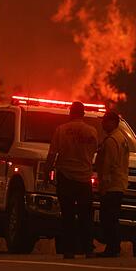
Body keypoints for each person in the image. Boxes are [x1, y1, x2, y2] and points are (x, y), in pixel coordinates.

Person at [45, 101, 99, 259]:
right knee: (85, 216)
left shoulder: (61, 130)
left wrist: (46, 173)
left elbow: (52, 154)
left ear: (71, 113)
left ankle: (68, 249)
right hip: (84, 179)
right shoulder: (92, 132)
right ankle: (88, 249)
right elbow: (94, 151)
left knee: (67, 215)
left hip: (66, 177)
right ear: (83, 114)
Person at [94, 111, 129, 257]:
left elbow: (108, 164)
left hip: (112, 185)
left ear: (113, 122)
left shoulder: (111, 141)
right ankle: (114, 247)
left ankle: (112, 248)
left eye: (105, 121)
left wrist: (103, 186)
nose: (102, 124)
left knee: (107, 217)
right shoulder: (122, 138)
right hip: (120, 183)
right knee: (112, 217)